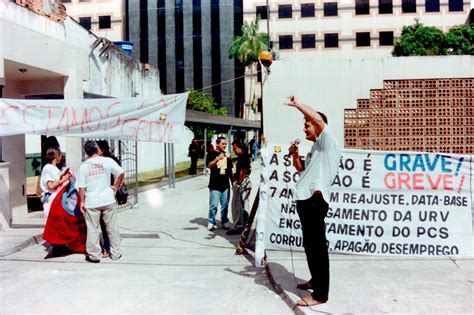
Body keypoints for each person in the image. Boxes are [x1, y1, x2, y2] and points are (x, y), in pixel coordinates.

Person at [286, 95, 341, 307]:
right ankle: (315, 280)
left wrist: (297, 105)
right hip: (306, 201)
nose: (305, 129)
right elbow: (301, 170)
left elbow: (317, 119)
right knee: (310, 246)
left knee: (317, 248)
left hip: (315, 203)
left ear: (319, 126)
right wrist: (295, 155)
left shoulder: (328, 142)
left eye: (307, 125)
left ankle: (320, 294)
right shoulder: (315, 149)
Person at [76, 140, 125, 263]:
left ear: (86, 153)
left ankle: (94, 255)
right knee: (112, 228)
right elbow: (121, 172)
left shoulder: (84, 166)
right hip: (108, 199)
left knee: (92, 229)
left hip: (92, 202)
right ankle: (115, 253)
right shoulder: (107, 161)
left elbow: (81, 187)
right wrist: (115, 186)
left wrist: (82, 202)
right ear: (98, 150)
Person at [40, 147, 72, 256]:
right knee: (56, 224)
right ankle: (57, 248)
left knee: (59, 223)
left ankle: (60, 246)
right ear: (55, 156)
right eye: (60, 155)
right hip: (51, 199)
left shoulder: (54, 168)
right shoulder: (48, 168)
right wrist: (63, 180)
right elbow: (50, 185)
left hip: (57, 199)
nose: (61, 157)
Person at [96, 140, 121, 258]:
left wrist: (114, 188)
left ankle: (107, 248)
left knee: (104, 224)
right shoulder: (111, 160)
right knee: (109, 224)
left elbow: (120, 176)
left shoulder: (107, 161)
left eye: (96, 148)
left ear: (102, 150)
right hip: (107, 195)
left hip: (106, 195)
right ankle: (112, 249)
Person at [206, 136, 233, 231]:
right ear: (217, 144)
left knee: (225, 205)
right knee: (213, 205)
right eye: (223, 144)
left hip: (225, 184)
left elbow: (230, 170)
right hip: (215, 184)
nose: (224, 145)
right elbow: (209, 165)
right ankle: (211, 221)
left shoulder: (227, 155)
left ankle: (224, 221)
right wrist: (217, 158)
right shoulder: (211, 153)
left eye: (226, 144)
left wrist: (232, 182)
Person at [226, 140, 252, 235]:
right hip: (246, 181)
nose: (234, 151)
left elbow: (243, 170)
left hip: (242, 181)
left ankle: (238, 227)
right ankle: (246, 224)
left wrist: (239, 182)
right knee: (244, 205)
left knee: (236, 205)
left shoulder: (243, 157)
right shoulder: (245, 155)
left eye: (234, 148)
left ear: (239, 147)